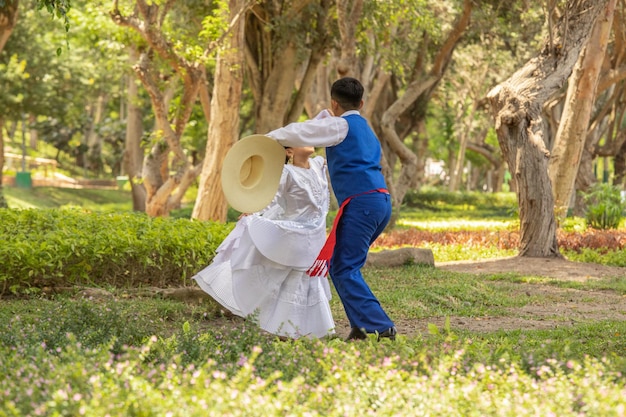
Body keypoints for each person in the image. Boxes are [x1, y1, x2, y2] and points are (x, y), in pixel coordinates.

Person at [267, 77, 396, 341]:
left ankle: (380, 326)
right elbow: (316, 127)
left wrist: (264, 139)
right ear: (361, 103)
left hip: (362, 203)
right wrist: (327, 116)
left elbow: (299, 132)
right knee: (343, 265)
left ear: (333, 103)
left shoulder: (339, 126)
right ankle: (361, 327)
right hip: (380, 201)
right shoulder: (364, 127)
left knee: (343, 266)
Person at [193, 145, 335, 340]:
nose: (307, 141)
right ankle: (286, 329)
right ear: (289, 151)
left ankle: (312, 329)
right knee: (293, 276)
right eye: (300, 139)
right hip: (293, 233)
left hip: (314, 235)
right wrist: (253, 212)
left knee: (308, 277)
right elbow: (271, 199)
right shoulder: (286, 173)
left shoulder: (319, 166)